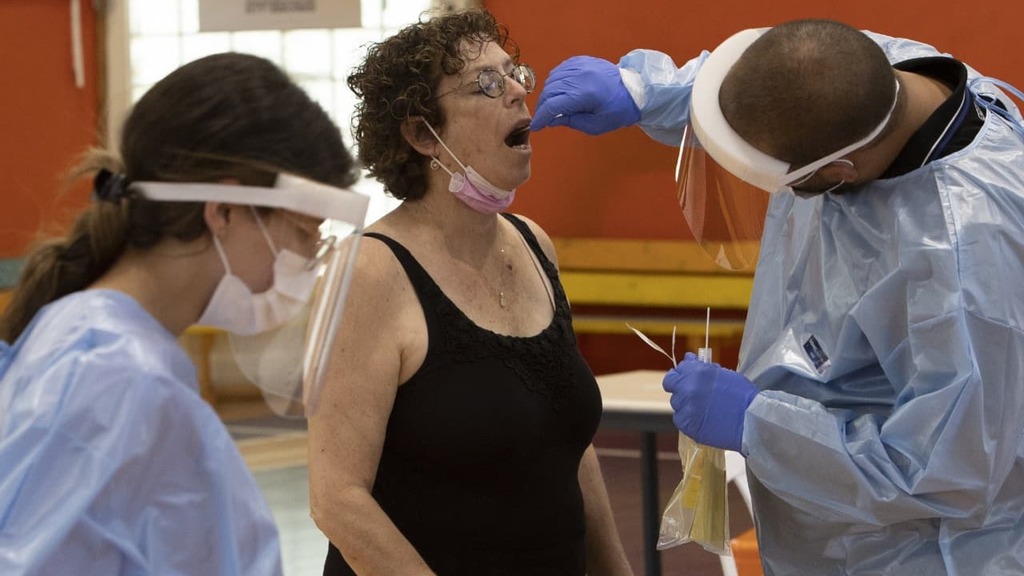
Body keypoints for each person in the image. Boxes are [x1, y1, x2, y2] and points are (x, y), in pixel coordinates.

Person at [530, 18, 1024, 575]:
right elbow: (782, 77)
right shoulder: (889, 78)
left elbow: (951, 471)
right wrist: (652, 92)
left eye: (798, 183)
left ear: (841, 170)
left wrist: (758, 425)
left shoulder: (963, 262)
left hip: (918, 553)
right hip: (828, 531)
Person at [0, 52, 361, 574]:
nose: (310, 260)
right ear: (224, 210)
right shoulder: (117, 377)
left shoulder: (93, 339)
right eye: (305, 234)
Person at [306, 9, 633, 576]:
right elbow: (338, 500)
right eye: (486, 82)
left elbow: (568, 445)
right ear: (419, 134)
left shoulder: (535, 245)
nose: (516, 91)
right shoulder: (367, 271)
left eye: (514, 73)